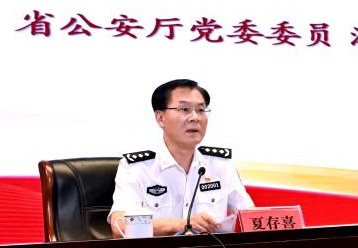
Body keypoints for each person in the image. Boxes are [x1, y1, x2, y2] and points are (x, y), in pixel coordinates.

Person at [108, 79, 253, 237]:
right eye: (184, 109)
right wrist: (183, 224)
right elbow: (120, 226)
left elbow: (251, 218)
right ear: (160, 118)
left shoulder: (220, 164)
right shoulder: (137, 168)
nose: (195, 118)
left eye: (201, 110)